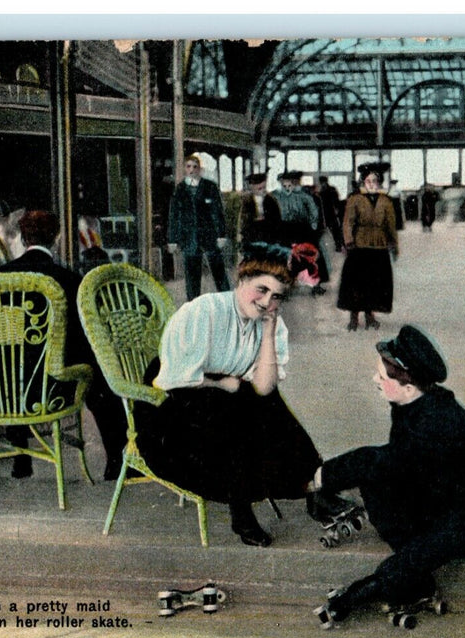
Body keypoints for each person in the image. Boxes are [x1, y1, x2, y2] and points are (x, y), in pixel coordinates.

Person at [140, 242, 352, 547]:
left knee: (264, 401)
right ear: (241, 281)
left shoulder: (273, 325)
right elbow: (173, 382)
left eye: (276, 296)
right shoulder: (204, 311)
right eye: (261, 289)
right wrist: (223, 382)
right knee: (233, 404)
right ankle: (244, 511)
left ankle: (313, 491)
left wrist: (267, 333)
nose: (267, 301)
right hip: (174, 408)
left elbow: (265, 387)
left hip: (230, 405)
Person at [310, 325, 465, 627]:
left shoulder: (435, 422)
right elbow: (396, 466)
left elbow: (383, 460)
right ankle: (413, 583)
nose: (374, 380)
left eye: (381, 377)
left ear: (408, 386)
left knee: (407, 553)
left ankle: (359, 596)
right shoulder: (413, 404)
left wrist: (322, 477)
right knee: (375, 477)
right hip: (440, 500)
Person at [0, 210, 129, 482]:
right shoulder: (68, 280)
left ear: (22, 238)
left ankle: (21, 458)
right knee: (98, 371)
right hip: (54, 387)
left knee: (13, 360)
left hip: (4, 389)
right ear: (56, 239)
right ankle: (116, 460)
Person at [337, 162, 397, 331]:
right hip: (359, 246)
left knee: (375, 283)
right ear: (363, 182)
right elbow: (348, 222)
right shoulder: (355, 199)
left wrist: (393, 243)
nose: (372, 184)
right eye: (368, 180)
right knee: (356, 283)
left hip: (379, 246)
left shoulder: (385, 201)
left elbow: (390, 224)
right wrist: (348, 242)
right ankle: (354, 317)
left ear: (379, 182)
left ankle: (370, 316)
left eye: (375, 180)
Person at [166, 154, 231, 301]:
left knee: (218, 269)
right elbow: (174, 216)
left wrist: (221, 235)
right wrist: (172, 240)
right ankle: (193, 303)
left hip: (210, 237)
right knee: (192, 273)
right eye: (188, 167)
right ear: (184, 169)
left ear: (199, 169)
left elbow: (218, 212)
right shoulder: (180, 189)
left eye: (195, 167)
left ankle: (227, 299)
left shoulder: (210, 187)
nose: (191, 170)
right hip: (189, 239)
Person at [272, 171, 327, 295]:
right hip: (283, 228)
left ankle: (315, 284)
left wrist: (313, 225)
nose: (287, 186)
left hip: (302, 228)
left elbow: (313, 210)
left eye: (289, 183)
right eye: (284, 183)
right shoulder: (275, 196)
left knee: (311, 255)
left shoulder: (303, 196)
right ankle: (282, 284)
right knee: (283, 256)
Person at [237, 172, 282, 246]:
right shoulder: (247, 201)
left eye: (264, 188)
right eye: (259, 188)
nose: (263, 191)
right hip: (252, 234)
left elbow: (277, 220)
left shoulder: (271, 200)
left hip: (268, 233)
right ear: (252, 188)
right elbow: (243, 221)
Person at [317, 176, 344, 252]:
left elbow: (336, 201)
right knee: (330, 230)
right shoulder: (323, 191)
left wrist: (337, 209)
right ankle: (335, 245)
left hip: (331, 213)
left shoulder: (330, 190)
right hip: (326, 213)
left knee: (335, 230)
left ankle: (338, 245)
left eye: (322, 182)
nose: (322, 184)